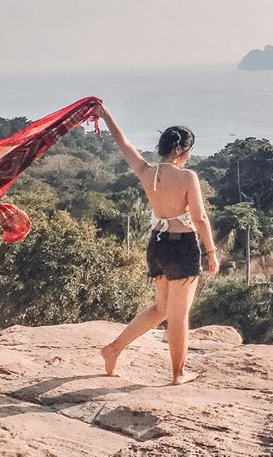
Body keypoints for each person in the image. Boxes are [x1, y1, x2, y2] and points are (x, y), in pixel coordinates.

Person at [94, 104, 220, 385]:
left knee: (161, 308)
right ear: (179, 149)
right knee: (179, 315)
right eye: (189, 150)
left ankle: (113, 349)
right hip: (182, 246)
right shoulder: (187, 177)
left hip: (157, 244)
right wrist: (212, 251)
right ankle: (179, 373)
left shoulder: (145, 171)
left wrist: (106, 116)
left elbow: (124, 144)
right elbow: (200, 218)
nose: (190, 155)